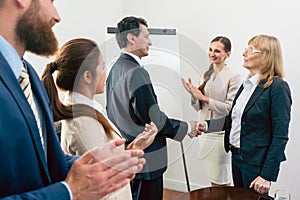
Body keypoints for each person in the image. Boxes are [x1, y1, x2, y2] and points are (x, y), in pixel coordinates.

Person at [0, 1, 146, 199]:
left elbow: (43, 163)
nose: (57, 16)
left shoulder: (28, 76)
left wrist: (89, 164)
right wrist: (70, 192)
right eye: (50, 2)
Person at [41, 38, 159, 200]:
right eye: (102, 67)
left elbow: (106, 163)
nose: (105, 73)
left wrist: (137, 145)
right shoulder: (83, 122)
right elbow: (101, 182)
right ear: (88, 76)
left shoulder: (89, 109)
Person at [106, 16, 201, 200]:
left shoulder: (116, 68)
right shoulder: (137, 72)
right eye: (147, 36)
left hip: (128, 154)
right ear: (131, 38)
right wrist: (187, 128)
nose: (150, 41)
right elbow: (154, 119)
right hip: (146, 160)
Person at [198, 34, 292, 194]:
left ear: (266, 56)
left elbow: (280, 135)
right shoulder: (246, 85)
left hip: (256, 162)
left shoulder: (278, 88)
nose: (244, 53)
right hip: (237, 156)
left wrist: (267, 176)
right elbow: (234, 119)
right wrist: (206, 125)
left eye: (251, 50)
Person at [181, 36, 242, 187]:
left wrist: (204, 97)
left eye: (217, 51)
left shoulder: (234, 76)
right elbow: (197, 107)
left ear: (227, 54)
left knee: (221, 179)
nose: (212, 53)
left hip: (220, 133)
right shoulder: (205, 74)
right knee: (213, 178)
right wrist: (193, 94)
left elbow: (230, 108)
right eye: (210, 49)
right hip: (204, 131)